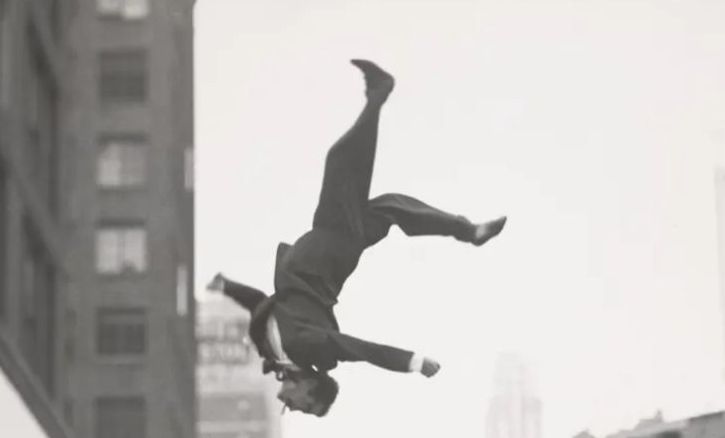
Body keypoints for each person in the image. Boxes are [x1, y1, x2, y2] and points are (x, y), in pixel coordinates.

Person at [208, 60, 507, 417]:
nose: (286, 402)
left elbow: (259, 301)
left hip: (324, 248)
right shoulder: (316, 350)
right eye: (301, 406)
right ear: (312, 390)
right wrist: (412, 361)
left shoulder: (269, 350)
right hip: (328, 251)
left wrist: (226, 286)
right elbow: (360, 349)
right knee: (342, 163)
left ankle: (469, 231)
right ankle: (379, 92)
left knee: (392, 208)